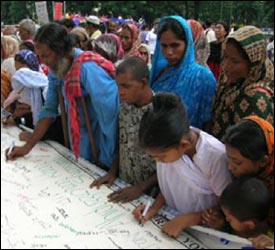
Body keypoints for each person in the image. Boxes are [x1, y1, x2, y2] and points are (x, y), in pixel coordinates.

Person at [5, 22, 119, 170]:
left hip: (100, 149)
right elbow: (49, 110)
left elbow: (109, 118)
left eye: (46, 55)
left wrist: (108, 160)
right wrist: (27, 148)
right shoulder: (57, 69)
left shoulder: (88, 69)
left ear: (60, 50)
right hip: (79, 145)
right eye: (40, 57)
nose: (44, 62)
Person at [132, 93, 232, 238]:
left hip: (203, 231)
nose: (158, 162)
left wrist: (186, 220)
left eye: (161, 157)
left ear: (184, 145)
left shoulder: (216, 157)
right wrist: (153, 208)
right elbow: (170, 185)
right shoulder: (171, 143)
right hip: (173, 217)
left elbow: (224, 207)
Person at [90, 57, 157, 203]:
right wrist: (112, 172)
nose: (120, 92)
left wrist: (139, 189)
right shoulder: (125, 107)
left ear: (144, 83)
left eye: (126, 86)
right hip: (125, 184)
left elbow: (168, 165)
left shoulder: (160, 113)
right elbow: (123, 143)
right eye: (118, 86)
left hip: (149, 194)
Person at [203, 116, 274, 247]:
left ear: (263, 161)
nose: (230, 167)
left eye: (237, 163)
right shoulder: (247, 176)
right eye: (229, 159)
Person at [150, 16, 216, 130]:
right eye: (164, 46)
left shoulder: (203, 77)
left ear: (187, 44)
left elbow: (208, 123)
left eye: (175, 45)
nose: (169, 52)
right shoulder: (156, 73)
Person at [211, 26, 274, 140]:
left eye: (235, 61)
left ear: (253, 62)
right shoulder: (231, 82)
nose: (226, 66)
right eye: (225, 57)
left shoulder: (256, 98)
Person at [220, 177, 273, 249]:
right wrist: (220, 226)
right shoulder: (243, 228)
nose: (226, 219)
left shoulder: (269, 244)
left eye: (229, 219)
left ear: (249, 224)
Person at [2, 49, 48, 128]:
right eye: (17, 70)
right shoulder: (19, 88)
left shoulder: (44, 92)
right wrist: (13, 117)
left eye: (23, 71)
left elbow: (44, 122)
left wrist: (17, 120)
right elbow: (7, 110)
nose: (20, 74)